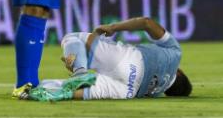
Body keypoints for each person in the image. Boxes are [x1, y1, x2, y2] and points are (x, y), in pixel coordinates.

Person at [26, 17, 192, 101]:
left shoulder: (175, 53)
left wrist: (113, 28)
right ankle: (34, 93)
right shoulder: (157, 93)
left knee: (73, 38)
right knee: (81, 92)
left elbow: (146, 23)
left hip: (131, 61)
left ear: (180, 72)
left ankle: (80, 72)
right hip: (129, 90)